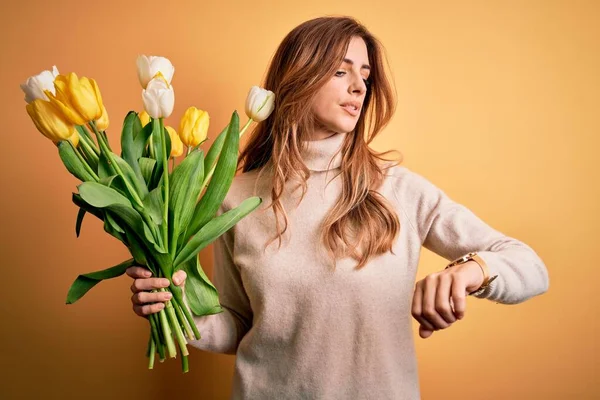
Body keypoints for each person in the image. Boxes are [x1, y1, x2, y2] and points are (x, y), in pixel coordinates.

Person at [126, 15, 549, 399]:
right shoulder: (232, 198)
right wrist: (176, 309)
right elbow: (238, 324)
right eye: (340, 70)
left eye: (364, 74)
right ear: (297, 77)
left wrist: (470, 269)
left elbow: (530, 267)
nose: (358, 86)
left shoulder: (400, 191)